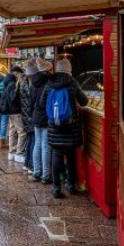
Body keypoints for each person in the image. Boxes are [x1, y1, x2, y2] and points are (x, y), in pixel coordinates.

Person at [40, 58, 88, 198]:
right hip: (70, 128)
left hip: (54, 128)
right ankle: (71, 185)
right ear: (69, 70)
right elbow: (84, 101)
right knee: (71, 157)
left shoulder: (50, 82)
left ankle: (56, 188)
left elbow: (42, 103)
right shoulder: (72, 82)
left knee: (56, 156)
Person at [30, 58, 53, 184]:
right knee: (45, 146)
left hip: (36, 116)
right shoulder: (49, 82)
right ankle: (45, 175)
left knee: (37, 144)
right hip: (45, 116)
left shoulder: (33, 82)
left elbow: (31, 101)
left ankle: (36, 172)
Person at [0, 64, 25, 163]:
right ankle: (19, 153)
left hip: (9, 111)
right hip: (16, 111)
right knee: (22, 132)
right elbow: (14, 98)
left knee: (12, 131)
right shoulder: (13, 84)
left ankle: (12, 152)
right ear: (17, 73)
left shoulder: (7, 82)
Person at [20, 59, 37, 174]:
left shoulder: (23, 82)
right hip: (30, 116)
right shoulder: (30, 85)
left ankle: (26, 163)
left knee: (30, 139)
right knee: (33, 140)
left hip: (25, 116)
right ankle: (31, 165)